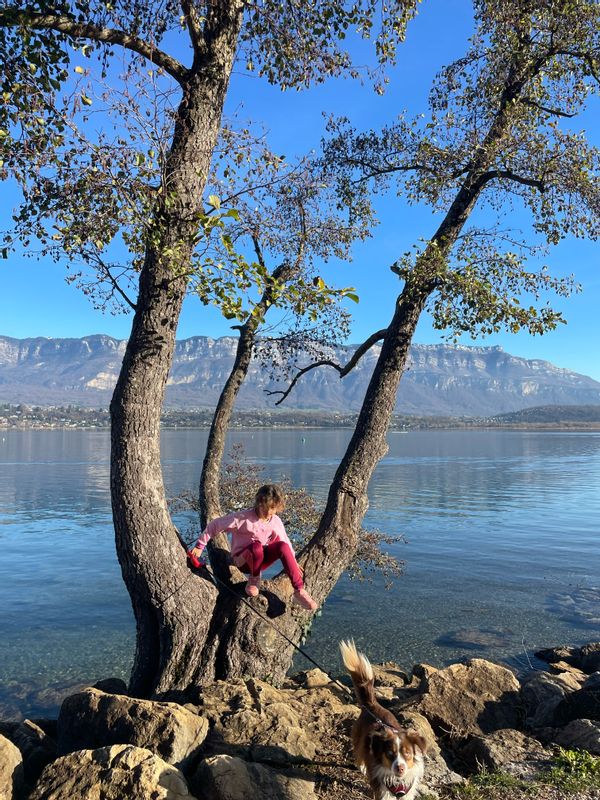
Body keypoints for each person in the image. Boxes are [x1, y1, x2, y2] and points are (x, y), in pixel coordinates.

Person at [190, 484, 318, 611]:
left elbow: (286, 541)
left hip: (260, 560)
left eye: (273, 508)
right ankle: (254, 579)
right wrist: (200, 546)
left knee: (283, 546)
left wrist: (293, 562)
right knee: (256, 546)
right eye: (265, 507)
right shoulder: (242, 518)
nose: (269, 512)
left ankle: (299, 591)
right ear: (259, 503)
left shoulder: (275, 521)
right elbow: (214, 525)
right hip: (243, 561)